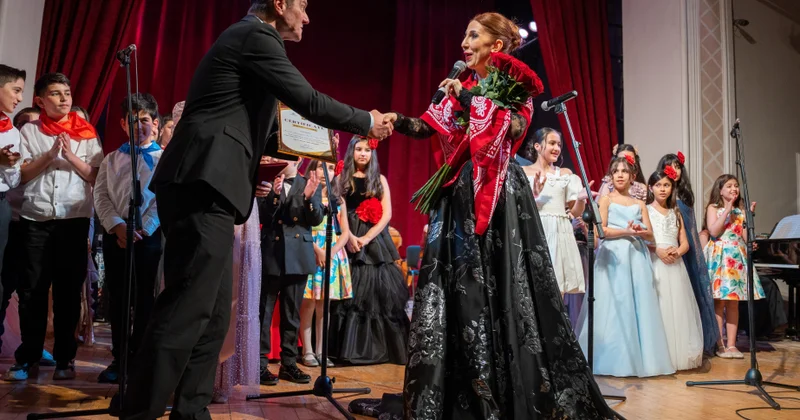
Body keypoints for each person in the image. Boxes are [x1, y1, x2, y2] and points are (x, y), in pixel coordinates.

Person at [122, 0, 392, 414]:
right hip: (201, 182)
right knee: (187, 306)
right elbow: (308, 100)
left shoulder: (250, 43)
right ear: (279, 4)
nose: (307, 17)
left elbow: (253, 127)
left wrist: (258, 172)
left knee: (215, 315)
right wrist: (365, 121)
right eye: (303, 6)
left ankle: (191, 410)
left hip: (214, 185)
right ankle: (139, 410)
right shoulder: (255, 35)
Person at [354, 12, 613, 419]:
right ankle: (453, 387)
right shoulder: (463, 84)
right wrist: (396, 120)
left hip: (497, 198)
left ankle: (500, 388)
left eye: (472, 35)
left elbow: (514, 129)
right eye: (464, 35)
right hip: (456, 197)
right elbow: (427, 126)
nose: (464, 43)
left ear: (496, 45)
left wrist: (465, 99)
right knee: (455, 288)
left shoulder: (515, 89)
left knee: (496, 286)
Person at [4, 72, 103, 381]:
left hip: (73, 219)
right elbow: (21, 175)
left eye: (67, 94)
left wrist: (70, 156)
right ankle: (28, 357)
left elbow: (96, 176)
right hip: (36, 218)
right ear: (40, 100)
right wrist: (49, 155)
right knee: (31, 290)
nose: (64, 99)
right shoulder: (29, 131)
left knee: (67, 292)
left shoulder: (86, 131)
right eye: (56, 94)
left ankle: (64, 359)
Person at [577, 157, 674, 378]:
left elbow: (650, 235)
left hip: (636, 257)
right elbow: (602, 231)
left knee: (637, 305)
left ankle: (639, 359)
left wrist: (639, 230)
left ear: (632, 176)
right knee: (615, 304)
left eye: (624, 171)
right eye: (616, 171)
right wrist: (627, 231)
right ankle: (612, 359)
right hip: (613, 256)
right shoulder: (606, 200)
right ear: (611, 177)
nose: (620, 175)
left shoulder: (640, 204)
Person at [94, 93, 163, 383]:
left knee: (145, 298)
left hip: (148, 237)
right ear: (123, 124)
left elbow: (163, 199)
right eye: (132, 121)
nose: (139, 126)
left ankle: (139, 356)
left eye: (144, 120)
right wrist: (117, 226)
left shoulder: (163, 159)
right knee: (119, 298)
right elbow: (101, 194)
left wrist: (144, 228)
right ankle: (119, 357)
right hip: (118, 236)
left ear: (156, 124)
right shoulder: (111, 158)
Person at [328, 136, 408, 366]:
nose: (363, 154)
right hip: (348, 234)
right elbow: (338, 210)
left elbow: (387, 214)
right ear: (351, 152)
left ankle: (378, 349)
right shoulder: (342, 178)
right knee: (349, 293)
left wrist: (365, 238)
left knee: (376, 293)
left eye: (367, 150)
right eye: (359, 149)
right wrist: (350, 237)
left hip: (374, 241)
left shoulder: (379, 180)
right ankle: (345, 348)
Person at [257, 156, 322, 385]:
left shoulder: (309, 182)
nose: (277, 159)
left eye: (282, 155)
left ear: (297, 159)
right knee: (264, 312)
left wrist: (309, 198)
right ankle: (260, 364)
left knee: (292, 313)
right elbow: (262, 216)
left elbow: (316, 219)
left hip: (297, 256)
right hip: (272, 253)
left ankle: (289, 363)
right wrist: (274, 196)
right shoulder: (266, 182)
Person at [657, 153, 718, 355]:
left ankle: (695, 342)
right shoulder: (660, 197)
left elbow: (690, 230)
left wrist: (691, 252)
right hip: (666, 250)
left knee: (691, 295)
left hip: (686, 250)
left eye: (678, 167)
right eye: (670, 167)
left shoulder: (684, 197)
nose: (674, 171)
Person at [646, 169, 703, 370]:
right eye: (658, 185)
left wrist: (677, 253)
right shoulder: (646, 210)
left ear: (672, 188)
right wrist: (658, 250)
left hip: (675, 265)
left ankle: (675, 354)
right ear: (651, 188)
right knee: (658, 306)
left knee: (677, 308)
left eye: (666, 185)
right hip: (655, 262)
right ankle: (657, 355)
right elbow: (642, 239)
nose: (662, 189)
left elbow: (685, 243)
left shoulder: (676, 212)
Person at [299, 159, 352, 368]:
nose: (324, 172)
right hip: (310, 250)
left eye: (329, 168)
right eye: (319, 167)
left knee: (324, 305)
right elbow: (302, 228)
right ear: (311, 170)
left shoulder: (338, 200)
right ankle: (307, 350)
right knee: (308, 303)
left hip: (332, 254)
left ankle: (322, 351)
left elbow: (345, 232)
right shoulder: (307, 195)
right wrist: (318, 250)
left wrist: (331, 252)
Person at [703, 174, 763, 359]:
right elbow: (714, 231)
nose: (733, 189)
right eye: (729, 186)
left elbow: (745, 237)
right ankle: (719, 344)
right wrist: (727, 209)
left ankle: (731, 344)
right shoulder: (713, 208)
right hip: (720, 256)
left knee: (733, 303)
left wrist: (749, 218)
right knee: (719, 301)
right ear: (720, 190)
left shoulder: (741, 211)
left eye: (736, 185)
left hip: (736, 257)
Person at [529, 127, 595, 295]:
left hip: (560, 233)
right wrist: (534, 195)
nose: (557, 148)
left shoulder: (565, 174)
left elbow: (576, 212)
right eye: (552, 143)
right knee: (535, 286)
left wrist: (580, 199)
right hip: (537, 230)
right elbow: (522, 209)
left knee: (558, 289)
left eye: (559, 144)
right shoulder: (524, 172)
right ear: (537, 146)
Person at [0, 64, 25, 355]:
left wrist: (7, 166)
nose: (19, 98)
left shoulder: (12, 132)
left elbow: (14, 179)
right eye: (15, 90)